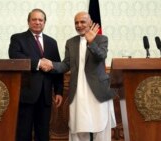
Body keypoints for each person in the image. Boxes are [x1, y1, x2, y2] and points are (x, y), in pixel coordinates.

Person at [41, 11, 117, 141]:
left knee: (101, 128)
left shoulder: (101, 39)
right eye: (76, 22)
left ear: (90, 23)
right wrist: (52, 65)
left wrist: (92, 41)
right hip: (78, 91)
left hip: (98, 90)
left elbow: (101, 56)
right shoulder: (71, 42)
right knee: (79, 128)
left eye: (83, 22)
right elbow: (66, 65)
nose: (79, 25)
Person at [8, 8, 63, 141]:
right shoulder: (17, 38)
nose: (37, 22)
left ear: (44, 22)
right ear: (28, 22)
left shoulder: (52, 42)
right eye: (34, 19)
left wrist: (59, 91)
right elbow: (15, 57)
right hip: (26, 94)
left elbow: (57, 68)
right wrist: (39, 63)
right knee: (23, 132)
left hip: (45, 96)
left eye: (40, 20)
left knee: (43, 133)